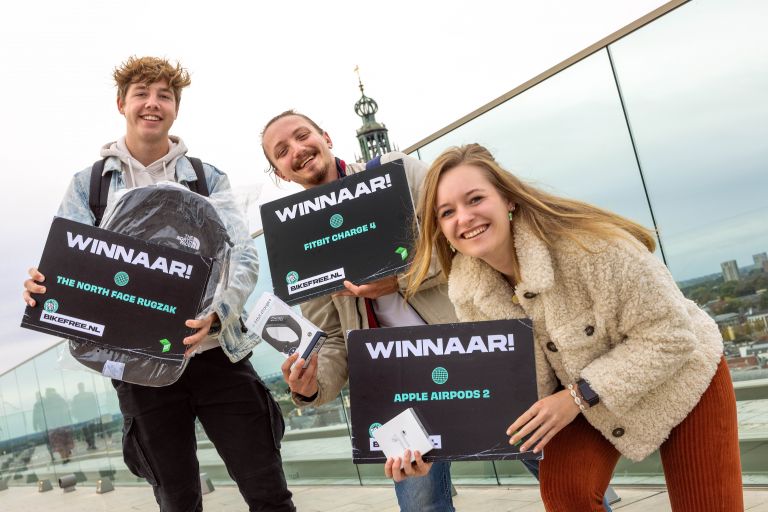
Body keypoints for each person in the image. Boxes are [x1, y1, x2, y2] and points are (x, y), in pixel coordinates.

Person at [404, 143, 743, 511]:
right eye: (447, 212)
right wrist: (431, 448)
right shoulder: (467, 290)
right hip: (582, 392)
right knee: (567, 493)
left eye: (475, 199)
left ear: (508, 199)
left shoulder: (591, 247)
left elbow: (672, 337)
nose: (464, 218)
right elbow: (502, 391)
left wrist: (577, 396)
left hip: (683, 374)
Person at [23, 56, 295, 512]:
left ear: (175, 108)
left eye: (164, 95)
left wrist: (219, 314)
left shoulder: (207, 179)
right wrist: (43, 287)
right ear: (121, 104)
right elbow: (68, 264)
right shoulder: (89, 185)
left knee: (268, 492)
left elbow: (243, 256)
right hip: (138, 370)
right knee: (177, 501)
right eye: (142, 94)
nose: (153, 103)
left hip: (216, 355)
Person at [261, 110, 460, 512]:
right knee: (422, 506)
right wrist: (311, 386)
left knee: (552, 470)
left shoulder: (396, 172)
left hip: (470, 347)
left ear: (327, 136)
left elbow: (466, 239)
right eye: (282, 151)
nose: (298, 150)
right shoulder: (299, 240)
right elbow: (332, 338)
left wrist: (400, 281)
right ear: (280, 173)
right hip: (395, 380)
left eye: (303, 136)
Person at [71, 382, 100, 450]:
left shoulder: (76, 397)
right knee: (90, 431)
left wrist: (76, 416)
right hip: (87, 416)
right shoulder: (89, 395)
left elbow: (74, 408)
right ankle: (92, 444)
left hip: (83, 417)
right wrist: (95, 414)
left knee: (86, 431)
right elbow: (94, 405)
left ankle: (90, 444)